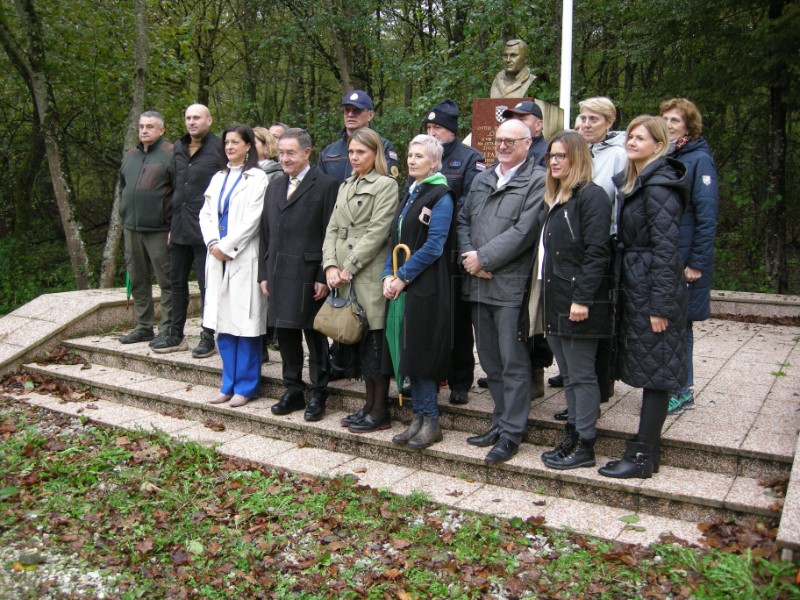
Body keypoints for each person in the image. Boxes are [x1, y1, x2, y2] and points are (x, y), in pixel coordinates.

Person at [599, 116, 689, 479]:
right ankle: (647, 454)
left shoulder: (660, 186)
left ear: (659, 145)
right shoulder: (636, 181)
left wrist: (660, 305)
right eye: (630, 136)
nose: (632, 142)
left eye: (641, 138)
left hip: (653, 286)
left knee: (657, 371)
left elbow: (667, 249)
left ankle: (641, 455)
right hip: (636, 281)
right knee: (653, 366)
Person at [457, 119, 546, 464]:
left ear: (528, 143)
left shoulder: (536, 181)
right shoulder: (483, 179)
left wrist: (485, 257)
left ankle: (512, 432)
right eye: (500, 140)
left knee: (513, 361)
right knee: (491, 361)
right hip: (477, 282)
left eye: (512, 141)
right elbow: (463, 220)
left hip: (508, 284)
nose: (504, 146)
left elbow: (525, 232)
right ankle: (499, 420)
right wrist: (471, 258)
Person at [535, 132, 612, 470]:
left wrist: (582, 299)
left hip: (578, 302)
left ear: (577, 158)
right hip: (555, 299)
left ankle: (585, 443)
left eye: (562, 156)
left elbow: (597, 252)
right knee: (567, 373)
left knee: (581, 374)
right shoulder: (557, 198)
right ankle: (572, 432)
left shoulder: (591, 197)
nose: (554, 161)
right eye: (551, 155)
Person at [549, 96, 626, 410]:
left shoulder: (618, 156)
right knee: (572, 361)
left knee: (586, 351)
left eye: (593, 119)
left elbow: (618, 205)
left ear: (609, 122)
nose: (585, 124)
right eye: (582, 118)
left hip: (600, 244)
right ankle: (579, 411)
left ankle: (589, 408)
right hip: (569, 256)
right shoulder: (569, 162)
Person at [259, 128, 339, 421]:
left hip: (309, 273)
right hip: (278, 271)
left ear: (307, 152)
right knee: (285, 333)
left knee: (314, 334)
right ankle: (292, 388)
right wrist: (263, 273)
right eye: (281, 152)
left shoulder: (327, 185)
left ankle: (319, 392)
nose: (285, 158)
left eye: (290, 153)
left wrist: (322, 274)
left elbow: (332, 232)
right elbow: (265, 233)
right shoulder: (276, 185)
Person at [323, 128, 398, 433]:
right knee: (358, 338)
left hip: (367, 271)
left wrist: (350, 266)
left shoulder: (386, 185)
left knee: (374, 341)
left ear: (375, 154)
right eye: (352, 152)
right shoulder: (345, 185)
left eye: (361, 152)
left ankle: (380, 411)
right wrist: (329, 265)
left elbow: (378, 232)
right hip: (343, 272)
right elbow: (331, 228)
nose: (354, 157)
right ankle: (367, 406)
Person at [383, 135, 454, 449]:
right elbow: (395, 237)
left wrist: (403, 277)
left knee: (422, 355)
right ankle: (418, 417)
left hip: (426, 287)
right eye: (410, 155)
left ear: (434, 162)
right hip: (405, 284)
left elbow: (434, 246)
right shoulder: (411, 192)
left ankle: (431, 421)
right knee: (409, 352)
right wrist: (388, 273)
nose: (411, 161)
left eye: (419, 156)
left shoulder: (441, 195)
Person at [415, 100, 485, 405]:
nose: (432, 133)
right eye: (428, 128)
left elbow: (470, 204)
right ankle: (432, 373)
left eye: (438, 128)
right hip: (427, 249)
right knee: (429, 317)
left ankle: (460, 380)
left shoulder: (470, 159)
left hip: (454, 249)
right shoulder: (422, 159)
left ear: (452, 132)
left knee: (457, 319)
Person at [199, 124, 268, 408]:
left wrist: (227, 247)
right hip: (217, 257)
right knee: (222, 323)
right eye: (227, 142)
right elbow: (205, 214)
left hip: (242, 256)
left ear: (248, 146)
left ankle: (247, 386)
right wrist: (214, 243)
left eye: (236, 142)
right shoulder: (218, 177)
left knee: (246, 324)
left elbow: (253, 219)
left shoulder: (258, 178)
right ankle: (227, 383)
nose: (230, 147)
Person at [660, 98, 718, 415]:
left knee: (680, 326)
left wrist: (696, 263)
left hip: (685, 260)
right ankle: (671, 384)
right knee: (669, 323)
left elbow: (707, 218)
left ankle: (682, 390)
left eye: (675, 120)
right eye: (665, 118)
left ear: (688, 126)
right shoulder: (670, 157)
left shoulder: (699, 161)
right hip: (668, 255)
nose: (668, 124)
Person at [151, 104, 221, 357]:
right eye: (188, 117)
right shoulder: (178, 147)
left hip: (206, 229)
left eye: (197, 118)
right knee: (176, 282)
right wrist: (170, 224)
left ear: (209, 120)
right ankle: (175, 334)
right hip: (179, 226)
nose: (192, 122)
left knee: (207, 285)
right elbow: (175, 187)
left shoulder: (219, 147)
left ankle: (207, 336)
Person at [118, 111, 174, 345]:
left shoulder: (171, 154)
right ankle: (143, 326)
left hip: (161, 229)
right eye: (141, 126)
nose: (144, 130)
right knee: (138, 279)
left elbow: (180, 191)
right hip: (132, 228)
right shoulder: (130, 155)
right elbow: (123, 187)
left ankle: (169, 328)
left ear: (161, 130)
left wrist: (175, 225)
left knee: (167, 280)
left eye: (150, 126)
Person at [317, 90, 399, 183]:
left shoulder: (382, 146)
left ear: (370, 115)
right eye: (347, 110)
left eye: (357, 110)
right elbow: (320, 189)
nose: (350, 114)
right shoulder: (328, 152)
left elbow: (387, 185)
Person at [503, 101, 547, 166]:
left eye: (521, 119)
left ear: (538, 125)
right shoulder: (505, 149)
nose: (515, 123)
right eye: (512, 120)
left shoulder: (548, 153)